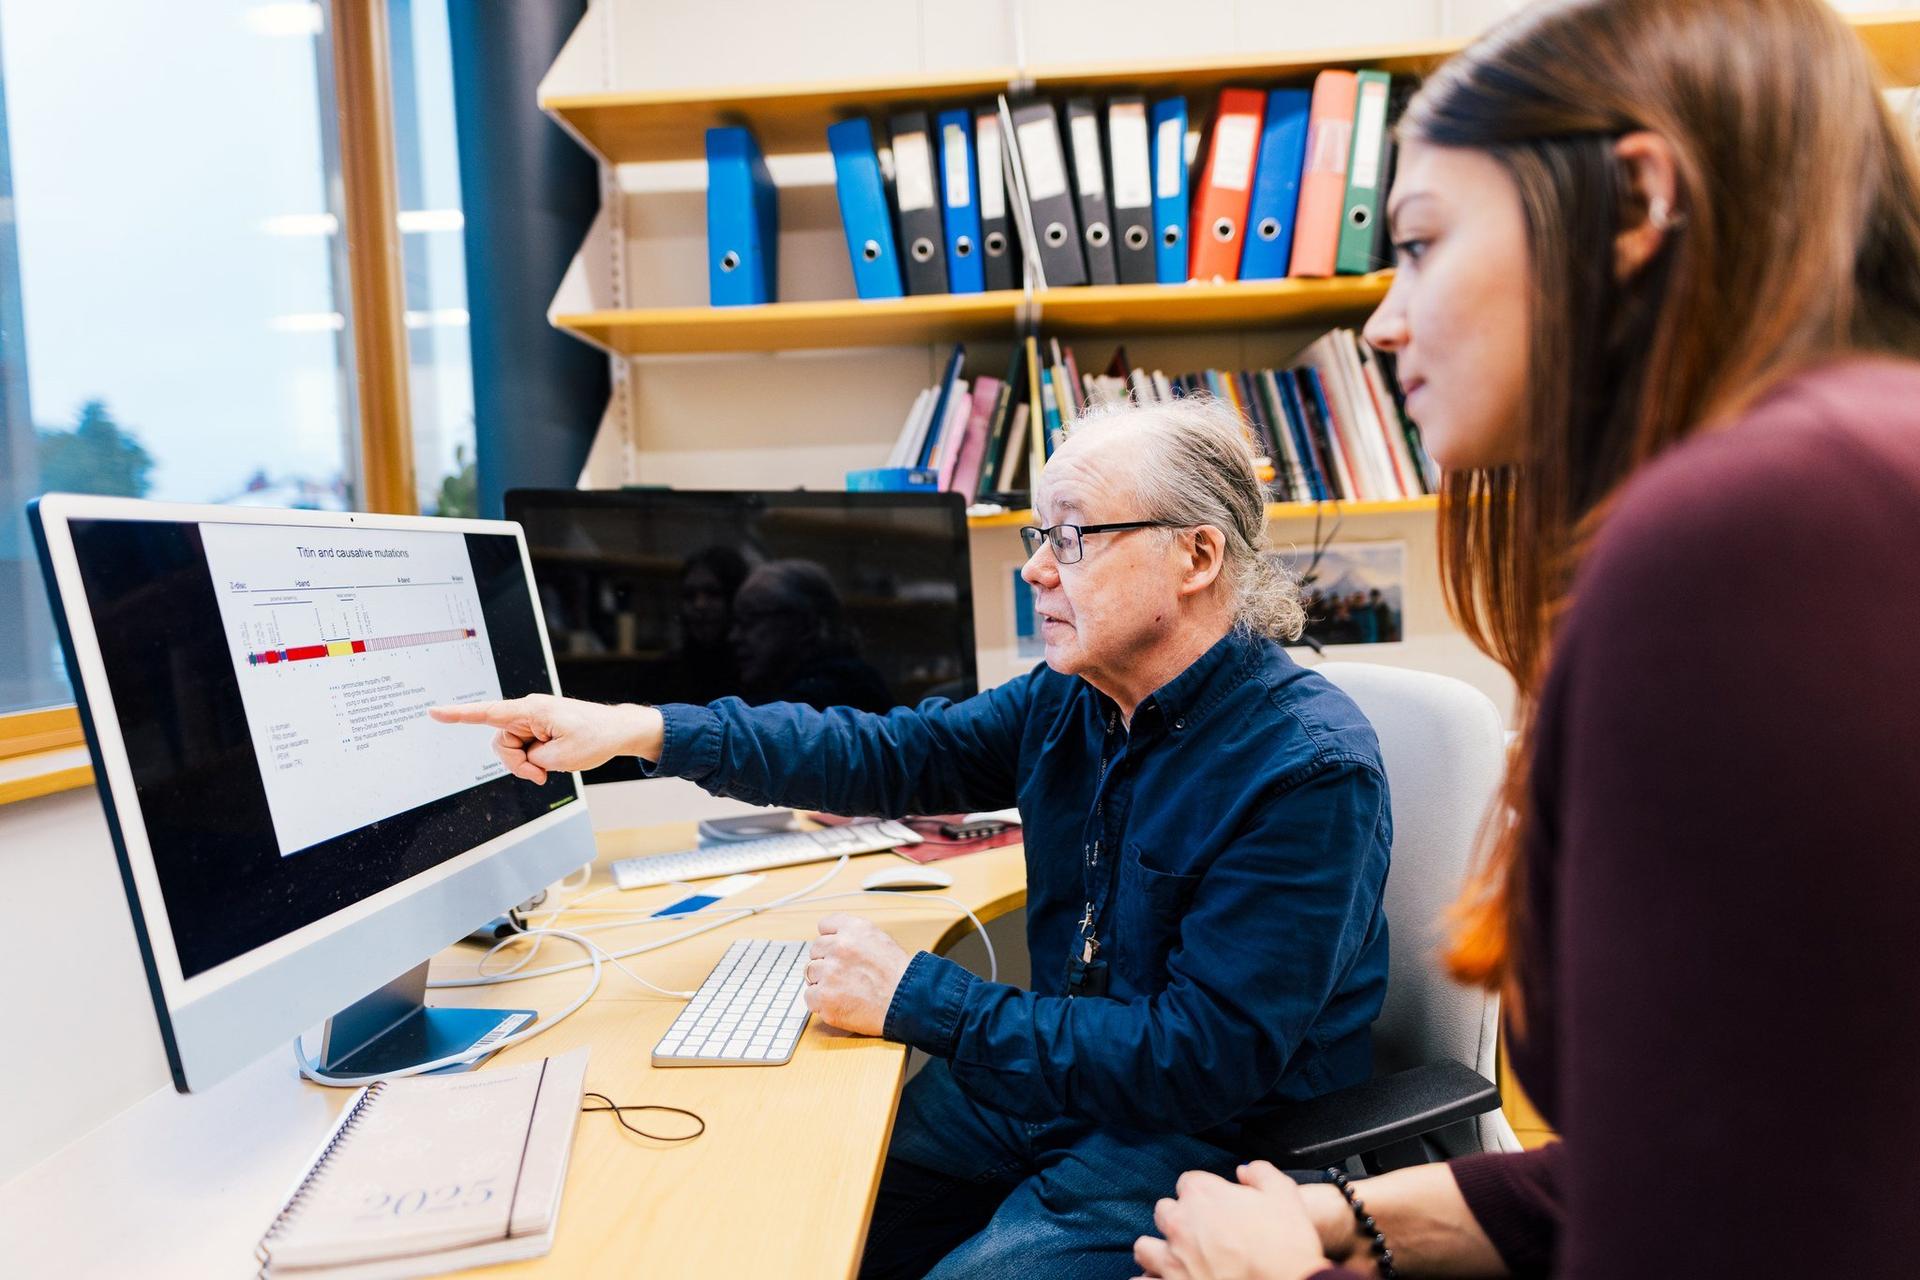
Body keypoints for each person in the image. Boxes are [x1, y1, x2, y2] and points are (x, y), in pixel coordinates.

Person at [1134, 0, 1920, 1276]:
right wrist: (1350, 1220)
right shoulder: (1850, 470)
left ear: (1634, 203)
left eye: (1426, 244)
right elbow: (1731, 1148)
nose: (1385, 323)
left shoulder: (1753, 530)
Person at [431, 397, 1394, 1279]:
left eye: (1072, 537)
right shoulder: (1075, 699)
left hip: (1206, 1135)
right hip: (1063, 1078)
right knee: (793, 1210)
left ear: (1196, 557)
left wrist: (919, 999)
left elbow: (1194, 1061)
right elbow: (891, 754)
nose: (1035, 568)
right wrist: (644, 730)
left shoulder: (1306, 772)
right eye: (1036, 534)